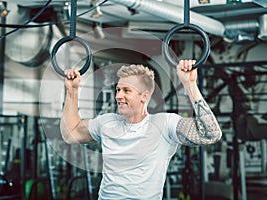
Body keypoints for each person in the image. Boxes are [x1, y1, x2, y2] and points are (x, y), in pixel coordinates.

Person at [60, 60, 222, 200]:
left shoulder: (164, 124)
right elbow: (70, 134)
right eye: (118, 89)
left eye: (126, 91)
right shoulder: (106, 122)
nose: (118, 96)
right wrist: (72, 91)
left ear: (144, 96)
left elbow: (210, 134)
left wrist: (190, 84)